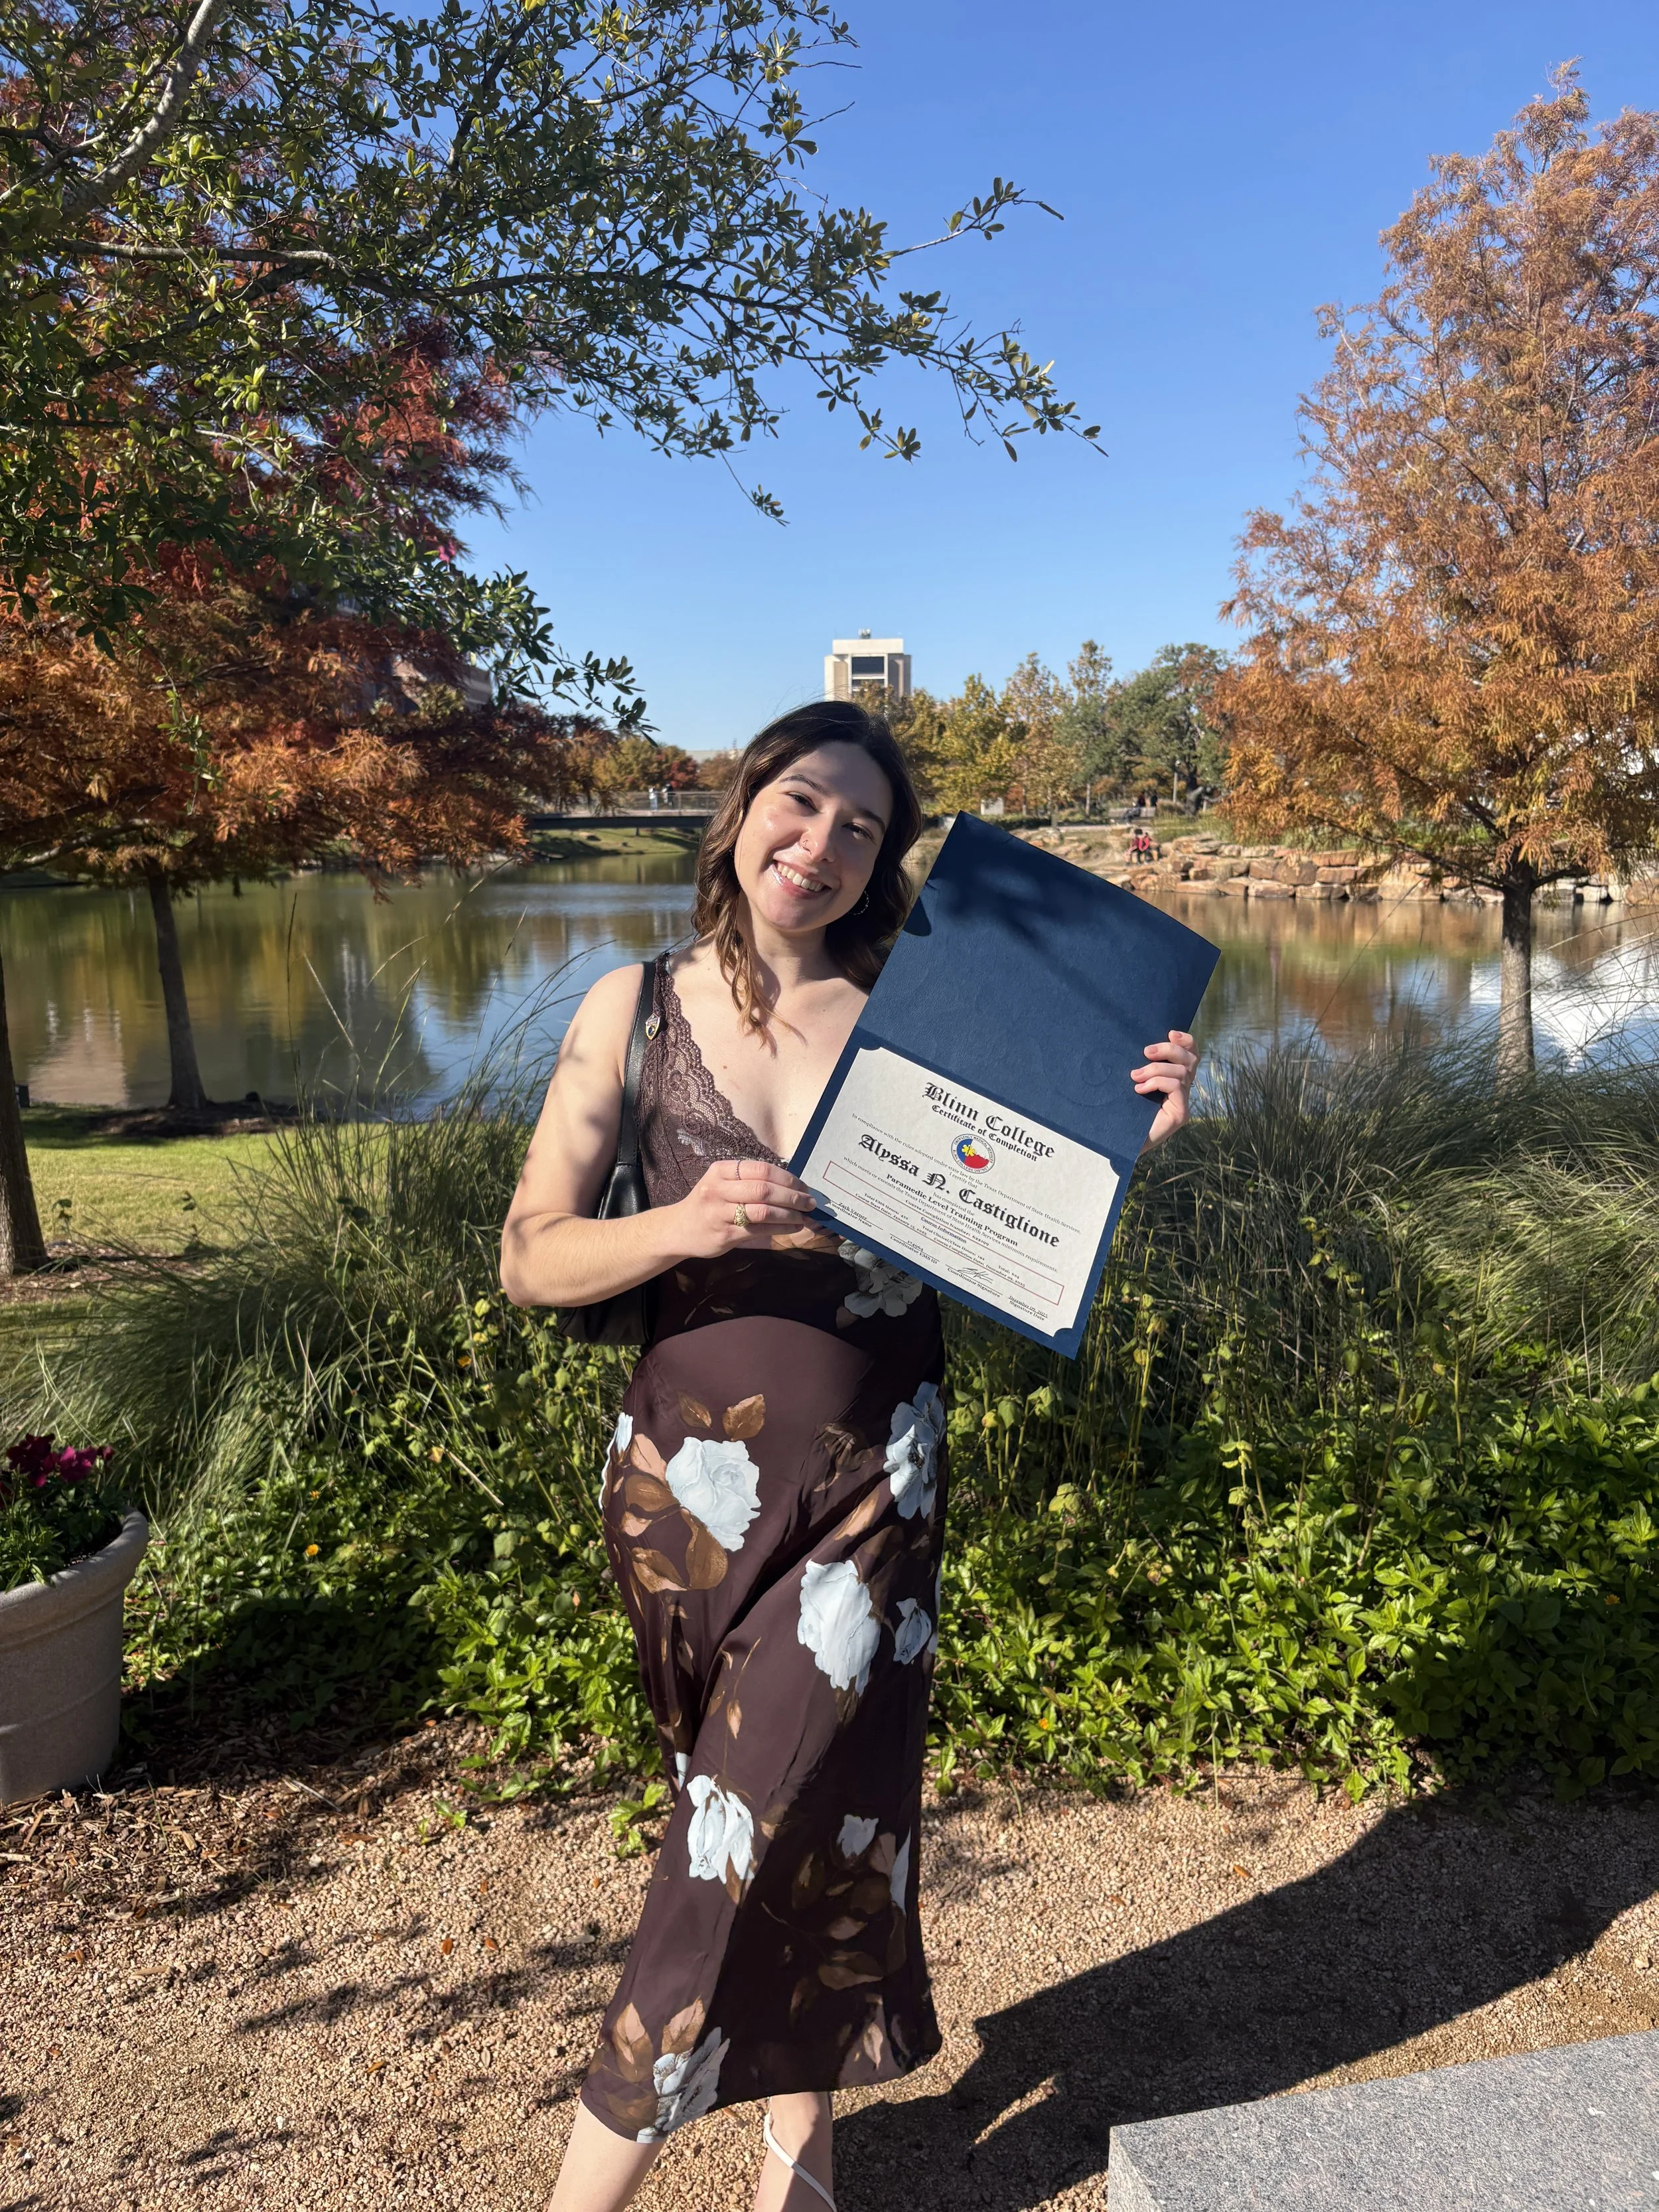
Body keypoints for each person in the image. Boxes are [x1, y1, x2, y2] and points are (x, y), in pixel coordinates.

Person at [500, 700, 1197, 2212]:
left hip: (875, 1471)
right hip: (677, 1495)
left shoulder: (921, 1011)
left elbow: (1027, 1221)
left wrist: (1116, 1139)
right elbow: (531, 1255)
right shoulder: (628, 1007)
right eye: (800, 804)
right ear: (745, 805)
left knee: (727, 1839)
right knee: (773, 1810)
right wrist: (683, 1221)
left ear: (883, 863)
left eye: (860, 829)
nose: (818, 846)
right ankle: (800, 2131)